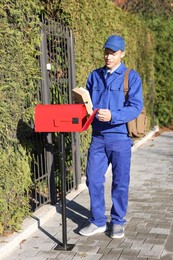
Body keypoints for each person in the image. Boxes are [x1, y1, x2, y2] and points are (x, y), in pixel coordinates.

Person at [79, 35, 143, 238]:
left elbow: (135, 107)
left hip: (120, 139)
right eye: (106, 52)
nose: (108, 57)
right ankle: (98, 221)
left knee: (120, 182)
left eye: (113, 53)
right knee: (93, 179)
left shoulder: (131, 77)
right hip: (98, 138)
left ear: (122, 54)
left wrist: (113, 115)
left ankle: (117, 221)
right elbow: (86, 102)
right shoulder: (94, 75)